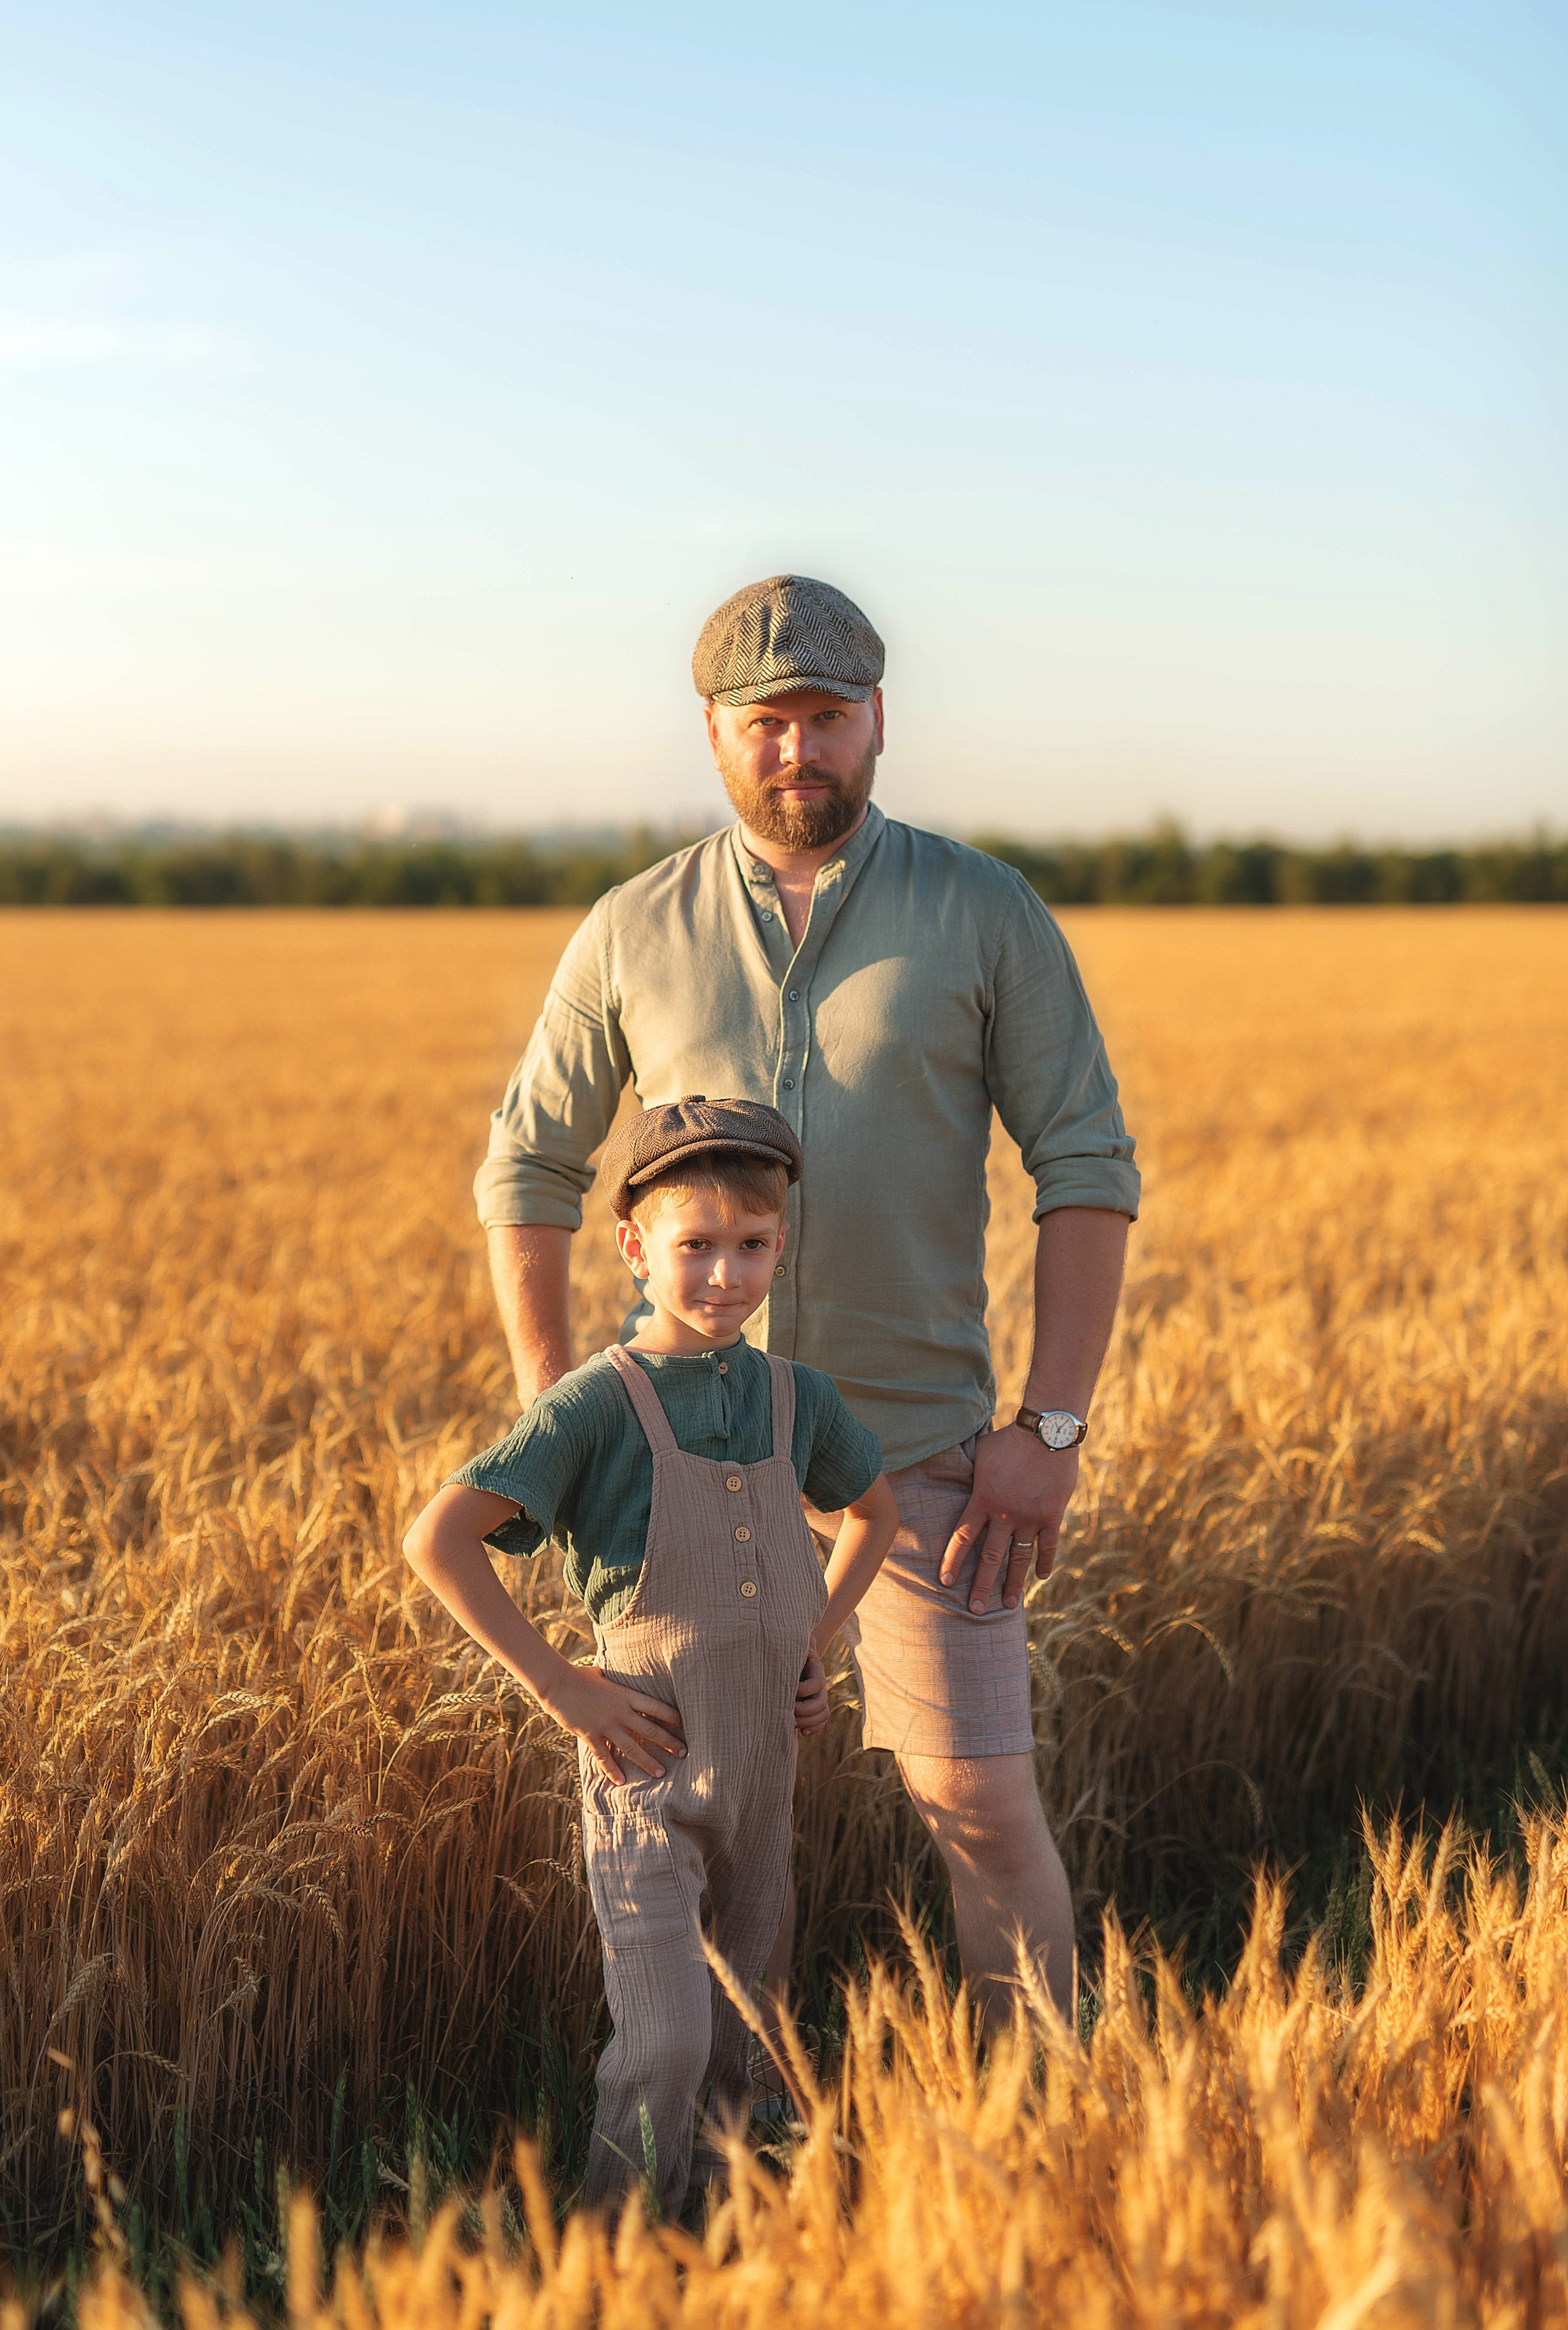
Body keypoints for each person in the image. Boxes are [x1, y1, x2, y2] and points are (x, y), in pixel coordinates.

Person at [474, 574, 1140, 2018]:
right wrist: (561, 1412)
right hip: (675, 1483)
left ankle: (1042, 2136)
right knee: (698, 1830)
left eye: (825, 718)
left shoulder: (982, 912)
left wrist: (1053, 1427)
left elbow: (1084, 1162)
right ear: (711, 731)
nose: (797, 752)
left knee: (979, 1805)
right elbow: (527, 1166)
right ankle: (713, 2156)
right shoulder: (628, 930)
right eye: (765, 723)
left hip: (915, 1461)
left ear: (878, 721)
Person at [405, 1095, 897, 2218]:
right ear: (634, 1248)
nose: (727, 1274)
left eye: (753, 1246)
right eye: (696, 1246)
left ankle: (710, 2254)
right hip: (648, 1770)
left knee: (740, 2046)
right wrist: (563, 1686)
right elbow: (438, 1539)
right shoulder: (596, 1405)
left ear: (781, 1243)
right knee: (666, 2045)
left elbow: (875, 1513)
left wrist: (812, 1645)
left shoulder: (791, 1396)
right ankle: (607, 2255)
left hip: (765, 1770)